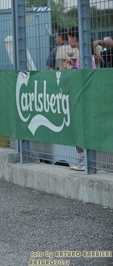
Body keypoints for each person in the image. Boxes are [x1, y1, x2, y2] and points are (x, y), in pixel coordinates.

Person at [63, 26, 96, 171]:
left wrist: (70, 69)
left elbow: (81, 75)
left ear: (74, 38)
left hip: (83, 97)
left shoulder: (85, 55)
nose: (68, 39)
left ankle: (84, 160)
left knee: (80, 128)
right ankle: (84, 160)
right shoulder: (83, 54)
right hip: (83, 96)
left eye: (69, 37)